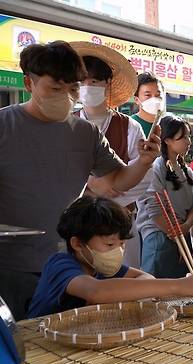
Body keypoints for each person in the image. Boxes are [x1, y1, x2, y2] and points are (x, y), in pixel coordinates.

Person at [0, 41, 160, 320]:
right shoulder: (4, 125)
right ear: (29, 83)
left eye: (73, 88)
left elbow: (119, 179)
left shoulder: (86, 133)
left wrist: (144, 162)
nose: (66, 96)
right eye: (55, 88)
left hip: (67, 262)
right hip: (8, 264)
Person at [27, 196, 193, 318]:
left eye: (121, 244)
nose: (118, 251)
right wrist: (176, 286)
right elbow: (97, 292)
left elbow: (144, 277)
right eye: (109, 245)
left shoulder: (100, 267)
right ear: (77, 244)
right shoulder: (60, 264)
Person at [71, 42, 146, 203]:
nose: (87, 87)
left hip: (117, 216)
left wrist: (109, 197)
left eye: (94, 81)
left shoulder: (130, 127)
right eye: (82, 82)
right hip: (73, 214)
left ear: (108, 82)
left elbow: (144, 176)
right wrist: (91, 188)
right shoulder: (65, 124)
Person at [136, 116, 193, 278]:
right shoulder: (156, 167)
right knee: (156, 294)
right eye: (184, 137)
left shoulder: (186, 170)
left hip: (181, 235)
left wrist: (186, 226)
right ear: (167, 140)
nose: (189, 142)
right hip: (160, 236)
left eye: (189, 136)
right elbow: (155, 209)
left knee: (181, 294)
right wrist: (177, 233)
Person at [131, 72, 165, 137]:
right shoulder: (129, 125)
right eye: (148, 95)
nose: (154, 99)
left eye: (158, 95)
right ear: (136, 100)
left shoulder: (169, 125)